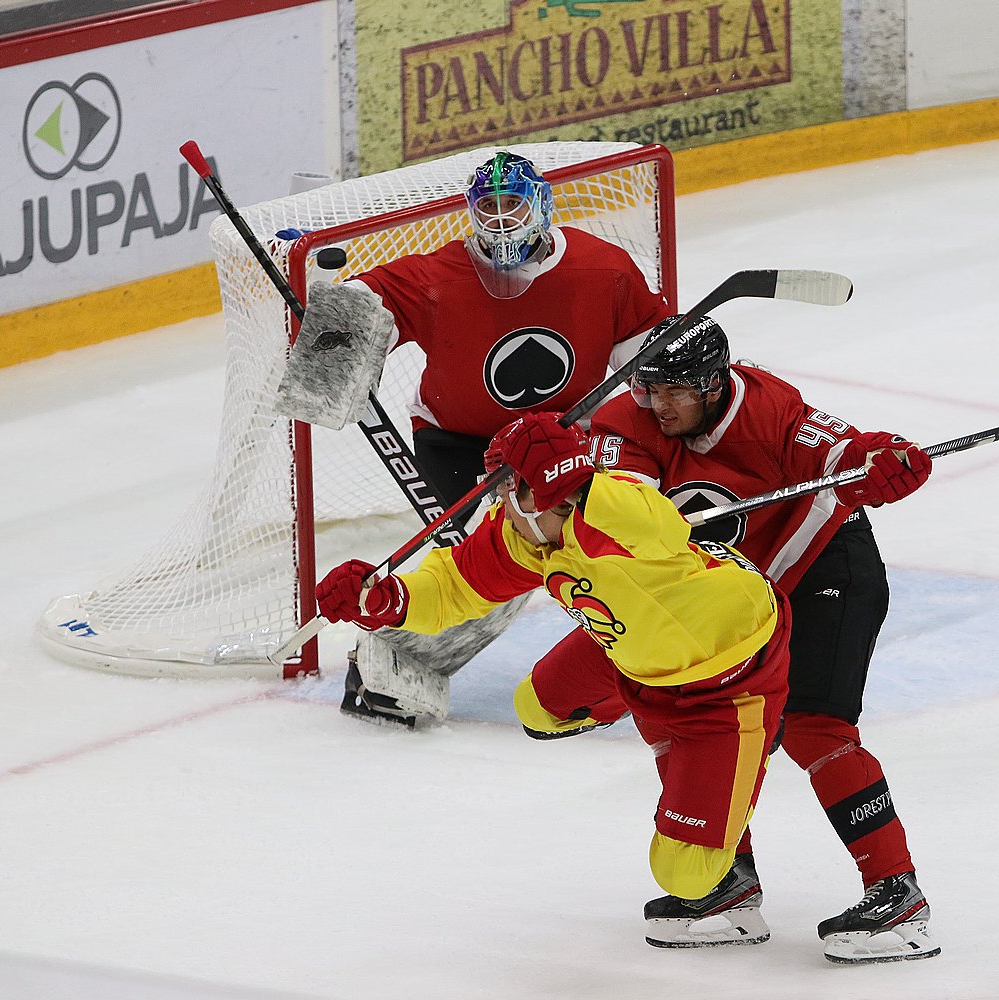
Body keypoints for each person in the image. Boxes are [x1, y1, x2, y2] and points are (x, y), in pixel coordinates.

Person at [313, 412, 791, 928]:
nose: (493, 502)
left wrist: (580, 485)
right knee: (536, 708)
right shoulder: (524, 536)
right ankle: (651, 711)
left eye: (502, 490)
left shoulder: (618, 508)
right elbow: (454, 585)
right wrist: (386, 601)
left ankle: (748, 741)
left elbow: (657, 527)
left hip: (731, 670)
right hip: (634, 652)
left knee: (685, 874)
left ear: (538, 492)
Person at [586, 313, 939, 964]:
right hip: (730, 599)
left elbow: (845, 451)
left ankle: (897, 894)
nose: (656, 405)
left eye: (675, 391)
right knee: (696, 722)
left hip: (822, 569)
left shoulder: (769, 407)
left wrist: (875, 461)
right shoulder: (623, 423)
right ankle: (726, 884)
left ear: (715, 384)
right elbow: (619, 510)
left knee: (814, 728)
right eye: (647, 389)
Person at [295, 150, 670, 727]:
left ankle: (652, 660)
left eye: (512, 206)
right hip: (458, 442)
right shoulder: (441, 277)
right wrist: (329, 327)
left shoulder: (605, 270)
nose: (500, 222)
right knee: (489, 555)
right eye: (487, 209)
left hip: (563, 444)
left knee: (607, 542)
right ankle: (385, 669)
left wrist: (607, 447)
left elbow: (645, 375)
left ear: (542, 208)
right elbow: (369, 303)